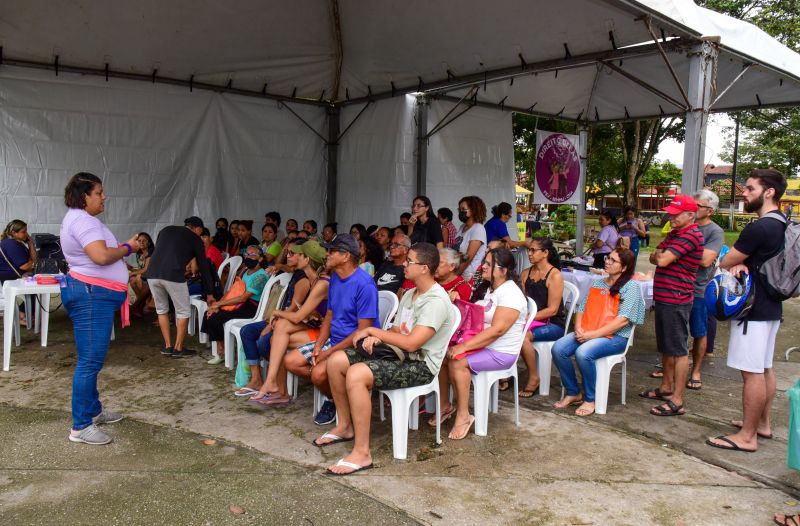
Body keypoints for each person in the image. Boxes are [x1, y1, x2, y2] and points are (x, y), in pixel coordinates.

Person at [318, 242, 455, 475]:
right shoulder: (411, 294)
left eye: (410, 261)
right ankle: (344, 426)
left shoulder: (436, 300)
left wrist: (373, 332)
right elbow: (396, 331)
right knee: (336, 360)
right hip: (399, 354)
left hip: (420, 364)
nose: (404, 264)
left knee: (357, 373)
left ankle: (362, 453)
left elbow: (413, 343)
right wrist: (380, 339)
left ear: (424, 268)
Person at [707, 169, 787, 453]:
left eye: (751, 189)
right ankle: (761, 424)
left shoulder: (760, 227)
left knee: (750, 373)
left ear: (769, 192)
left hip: (752, 309)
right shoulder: (782, 223)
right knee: (764, 368)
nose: (744, 192)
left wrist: (732, 262)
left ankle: (747, 436)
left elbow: (726, 259)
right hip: (772, 306)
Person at [59, 172, 140, 445]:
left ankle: (93, 410)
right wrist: (127, 247)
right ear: (85, 197)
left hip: (91, 293)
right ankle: (81, 426)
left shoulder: (79, 219)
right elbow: (101, 256)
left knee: (90, 358)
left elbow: (99, 256)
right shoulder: (83, 220)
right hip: (91, 295)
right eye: (99, 192)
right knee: (90, 361)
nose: (104, 197)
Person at [284, 234, 379, 426]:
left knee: (318, 374)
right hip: (334, 340)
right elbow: (329, 315)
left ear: (345, 256)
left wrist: (329, 352)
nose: (326, 254)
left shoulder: (365, 284)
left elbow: (362, 331)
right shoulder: (335, 278)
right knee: (291, 361)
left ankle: (336, 401)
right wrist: (319, 346)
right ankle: (338, 398)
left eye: (331, 251)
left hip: (356, 344)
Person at [434, 248, 528, 440]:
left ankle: (464, 415)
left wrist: (464, 347)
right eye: (484, 262)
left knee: (458, 360)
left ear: (502, 270)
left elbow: (497, 330)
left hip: (501, 352)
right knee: (443, 354)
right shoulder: (491, 289)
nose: (482, 266)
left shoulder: (511, 293)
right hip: (485, 346)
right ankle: (445, 405)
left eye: (487, 264)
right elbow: (478, 317)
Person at [551, 248, 645, 416]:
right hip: (588, 331)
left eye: (613, 260)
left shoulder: (631, 288)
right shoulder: (598, 283)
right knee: (558, 348)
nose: (607, 261)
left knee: (583, 353)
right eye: (608, 258)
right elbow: (581, 308)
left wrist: (591, 336)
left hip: (615, 337)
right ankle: (573, 392)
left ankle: (590, 398)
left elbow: (622, 321)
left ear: (624, 268)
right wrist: (579, 327)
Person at [244, 240, 330, 402]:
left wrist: (277, 312)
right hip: (320, 326)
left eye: (297, 254)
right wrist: (312, 315)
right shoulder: (313, 280)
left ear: (306, 259)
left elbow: (297, 316)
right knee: (280, 331)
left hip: (328, 334)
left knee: (278, 334)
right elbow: (314, 313)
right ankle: (275, 387)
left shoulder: (321, 283)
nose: (292, 256)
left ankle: (275, 386)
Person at [641, 195, 702, 417]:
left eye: (676, 214)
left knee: (678, 350)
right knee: (666, 347)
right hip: (665, 296)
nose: (671, 217)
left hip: (677, 298)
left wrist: (662, 256)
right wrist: (661, 255)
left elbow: (663, 259)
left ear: (690, 215)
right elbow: (653, 256)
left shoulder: (691, 235)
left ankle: (677, 400)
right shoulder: (676, 234)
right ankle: (666, 388)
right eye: (671, 213)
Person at [146, 216, 216, 358]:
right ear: (197, 229)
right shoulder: (195, 238)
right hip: (173, 275)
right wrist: (209, 292)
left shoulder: (165, 230)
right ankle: (178, 348)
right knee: (183, 312)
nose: (200, 236)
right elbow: (203, 266)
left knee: (161, 310)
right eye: (200, 232)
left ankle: (167, 346)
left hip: (152, 274)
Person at [202, 245, 269, 362]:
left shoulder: (261, 276)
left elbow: (243, 298)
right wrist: (218, 304)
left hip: (251, 307)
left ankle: (222, 350)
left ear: (260, 259)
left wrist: (219, 305)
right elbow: (232, 291)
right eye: (246, 254)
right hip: (239, 303)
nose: (248, 257)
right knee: (209, 313)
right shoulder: (245, 271)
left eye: (253, 255)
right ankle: (221, 346)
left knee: (215, 317)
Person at [518, 237, 567, 398]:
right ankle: (503, 376)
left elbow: (552, 310)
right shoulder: (525, 273)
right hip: (532, 320)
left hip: (553, 324)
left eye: (533, 250)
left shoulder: (555, 276)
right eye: (529, 250)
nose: (529, 254)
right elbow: (523, 303)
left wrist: (528, 318)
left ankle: (533, 376)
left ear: (545, 253)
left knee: (523, 336)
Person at [686, 190, 724, 390]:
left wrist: (679, 252)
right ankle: (671, 368)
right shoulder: (686, 225)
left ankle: (696, 371)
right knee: (676, 330)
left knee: (699, 332)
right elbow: (660, 254)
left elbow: (705, 260)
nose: (693, 209)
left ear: (710, 210)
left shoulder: (715, 232)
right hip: (678, 287)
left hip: (698, 289)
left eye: (697, 206)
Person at [455, 195, 487, 280]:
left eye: (463, 209)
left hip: (469, 277)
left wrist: (454, 276)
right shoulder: (462, 227)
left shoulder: (478, 228)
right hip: (459, 272)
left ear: (473, 210)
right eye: (459, 209)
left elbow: (468, 257)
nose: (460, 212)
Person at [128, 232, 155, 318]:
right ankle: (141, 305)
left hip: (153, 276)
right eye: (139, 241)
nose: (141, 243)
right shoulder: (139, 253)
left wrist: (132, 272)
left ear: (149, 243)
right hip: (145, 275)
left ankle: (137, 306)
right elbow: (140, 269)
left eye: (144, 241)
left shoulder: (151, 252)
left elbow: (146, 269)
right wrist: (130, 268)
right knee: (133, 279)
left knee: (138, 278)